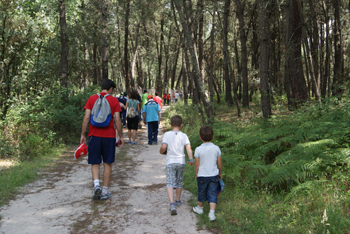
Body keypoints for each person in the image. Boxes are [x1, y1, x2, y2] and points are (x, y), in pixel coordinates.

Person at [80, 79, 124, 200]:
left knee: (95, 161)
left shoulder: (91, 99)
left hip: (94, 135)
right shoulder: (114, 100)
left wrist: (83, 134)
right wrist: (120, 135)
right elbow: (117, 120)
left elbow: (86, 117)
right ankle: (104, 192)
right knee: (107, 163)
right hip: (109, 136)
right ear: (111, 89)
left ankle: (96, 186)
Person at [159, 115, 194, 215]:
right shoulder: (184, 135)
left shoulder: (167, 134)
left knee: (170, 182)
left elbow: (163, 146)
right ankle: (178, 200)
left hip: (170, 162)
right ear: (181, 125)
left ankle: (172, 204)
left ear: (170, 125)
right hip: (181, 162)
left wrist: (161, 151)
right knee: (179, 181)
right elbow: (188, 148)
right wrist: (191, 159)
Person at [192, 126, 222, 222]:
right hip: (213, 175)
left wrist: (196, 174)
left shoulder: (198, 149)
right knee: (212, 193)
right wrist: (220, 173)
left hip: (202, 175)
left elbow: (197, 164)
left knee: (201, 192)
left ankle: (200, 209)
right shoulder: (216, 148)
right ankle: (212, 213)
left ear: (200, 137)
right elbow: (220, 163)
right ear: (213, 136)